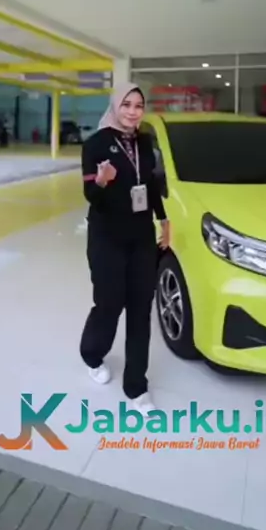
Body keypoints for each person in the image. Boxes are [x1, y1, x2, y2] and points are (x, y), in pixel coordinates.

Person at [79, 83, 170, 414]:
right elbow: (91, 196)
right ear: (115, 106)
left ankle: (136, 387)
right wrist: (103, 180)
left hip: (141, 236)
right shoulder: (95, 144)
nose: (133, 111)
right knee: (109, 304)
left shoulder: (145, 142)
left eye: (139, 105)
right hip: (107, 238)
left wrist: (164, 220)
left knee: (140, 309)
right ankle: (92, 354)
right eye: (126, 104)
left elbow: (151, 185)